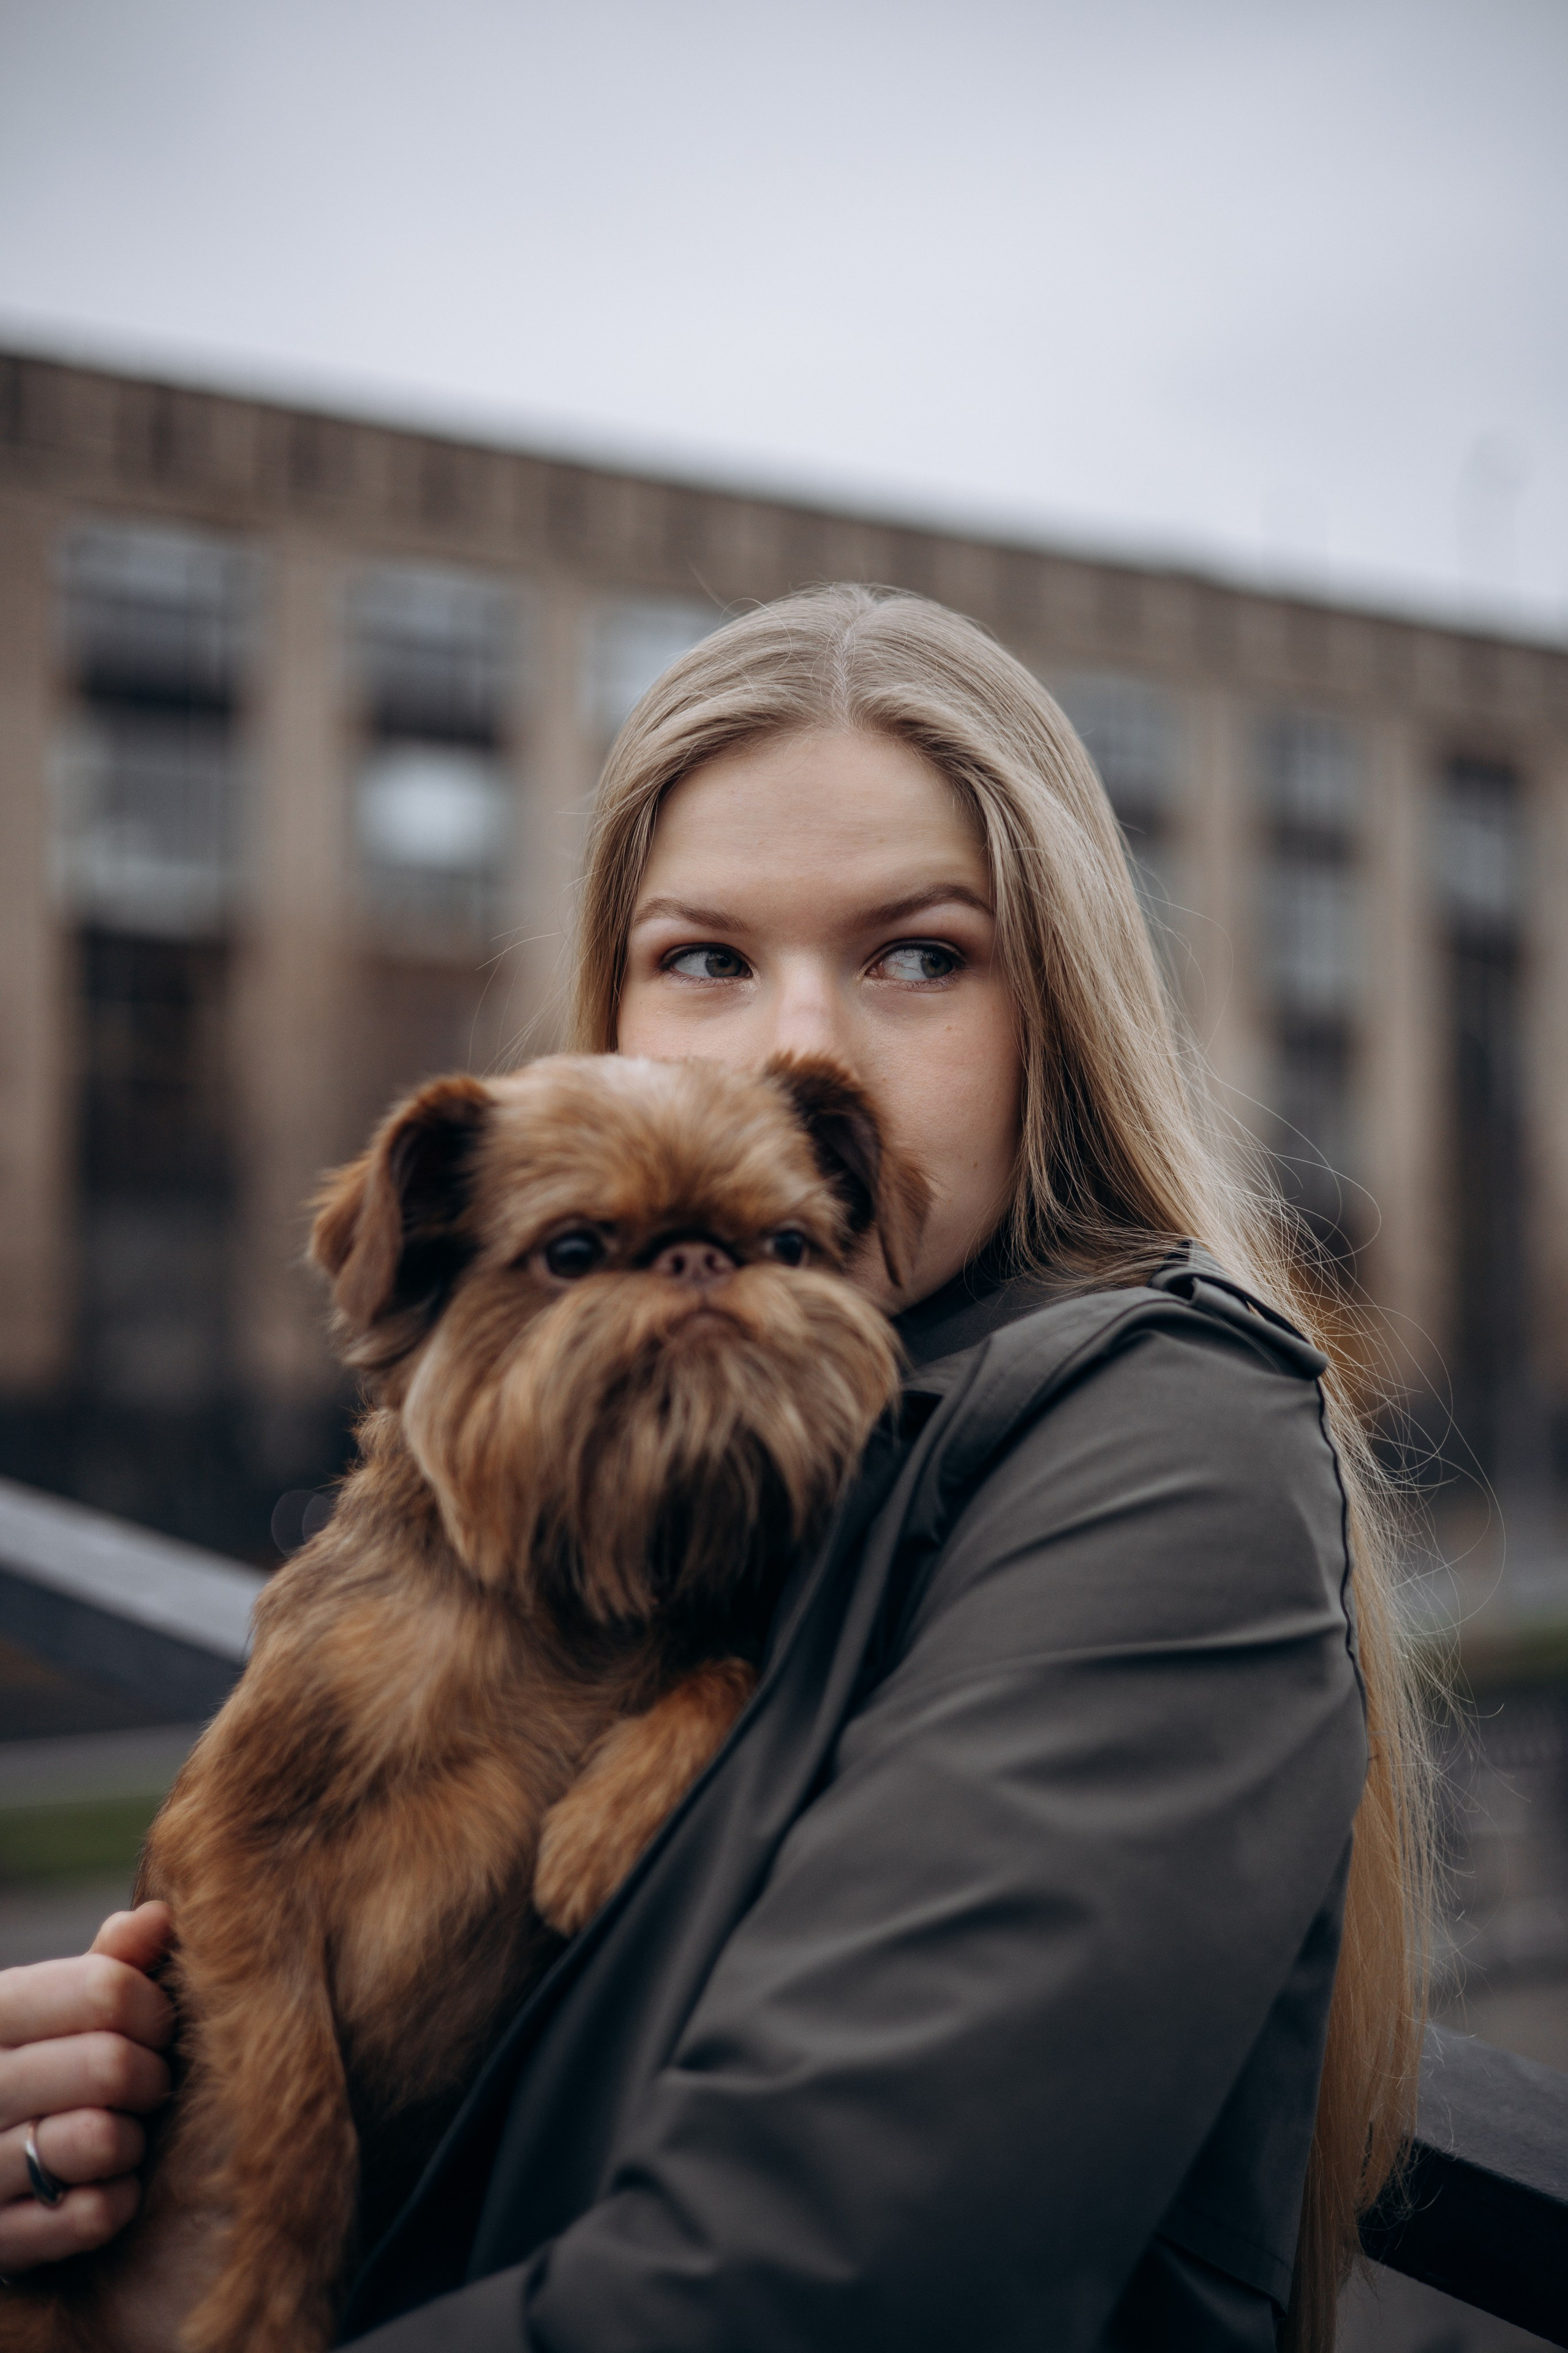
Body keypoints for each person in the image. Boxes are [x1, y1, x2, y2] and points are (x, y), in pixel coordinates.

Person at [0, 587, 1428, 2351]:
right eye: (706, 959)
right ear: (607, 1010)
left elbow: (809, 2280)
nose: (796, 1044)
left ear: (1056, 1009)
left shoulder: (1168, 1443)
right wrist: (104, 2140)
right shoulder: (624, 1485)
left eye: (920, 955)